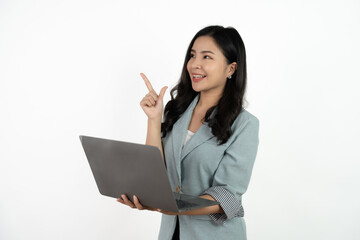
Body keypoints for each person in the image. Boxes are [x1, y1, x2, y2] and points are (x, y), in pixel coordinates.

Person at [117, 25, 259, 240]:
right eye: (192, 56)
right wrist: (154, 120)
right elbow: (155, 172)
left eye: (207, 57)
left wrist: (175, 206)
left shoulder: (245, 124)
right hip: (171, 233)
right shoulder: (177, 111)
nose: (194, 64)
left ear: (231, 69)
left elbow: (228, 196)